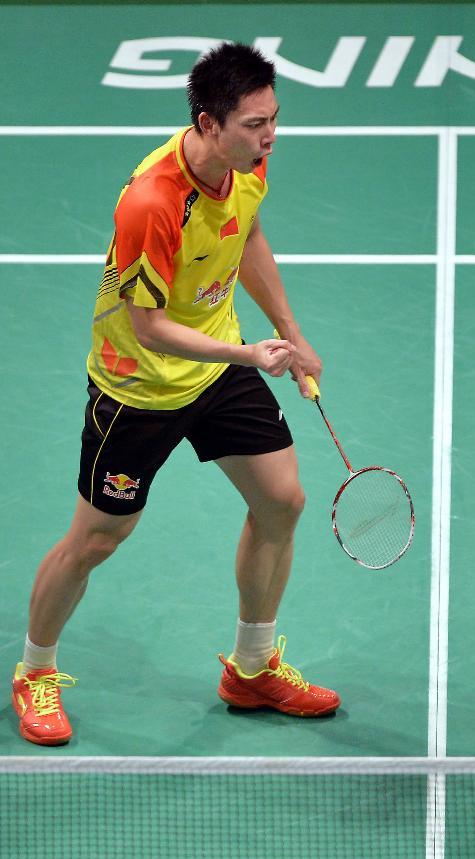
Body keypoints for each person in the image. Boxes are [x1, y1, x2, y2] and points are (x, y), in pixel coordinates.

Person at [12, 42, 340, 747]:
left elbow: (246, 233)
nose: (270, 136)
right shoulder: (152, 202)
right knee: (98, 538)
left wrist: (289, 329)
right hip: (138, 385)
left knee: (281, 500)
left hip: (217, 363)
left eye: (274, 119)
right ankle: (34, 671)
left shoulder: (247, 164)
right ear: (207, 122)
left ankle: (251, 669)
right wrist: (247, 352)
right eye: (254, 124)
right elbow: (149, 327)